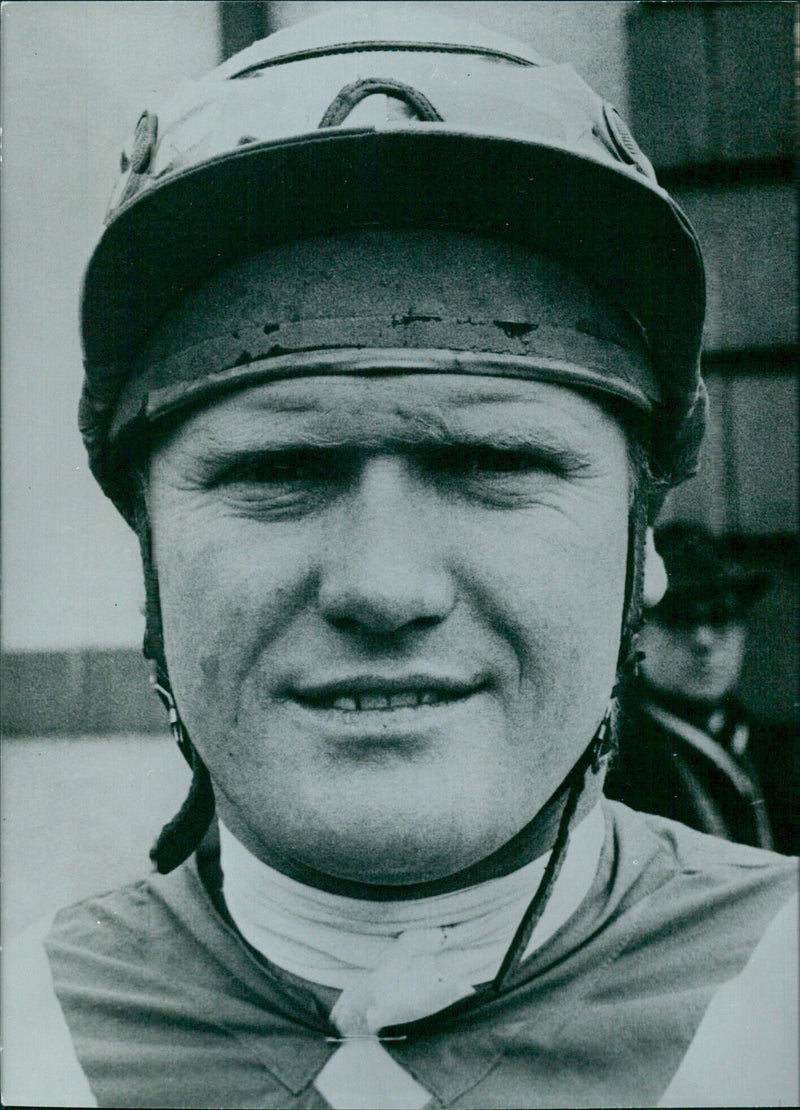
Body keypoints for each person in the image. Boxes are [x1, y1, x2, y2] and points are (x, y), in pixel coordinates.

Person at [4, 7, 797, 1108]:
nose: (382, 586)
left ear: (639, 554)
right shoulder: (22, 1046)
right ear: (150, 559)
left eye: (492, 463)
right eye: (275, 472)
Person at [606, 521, 798, 853]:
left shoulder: (778, 750)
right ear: (635, 636)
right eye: (679, 618)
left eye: (720, 617)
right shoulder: (616, 762)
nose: (703, 640)